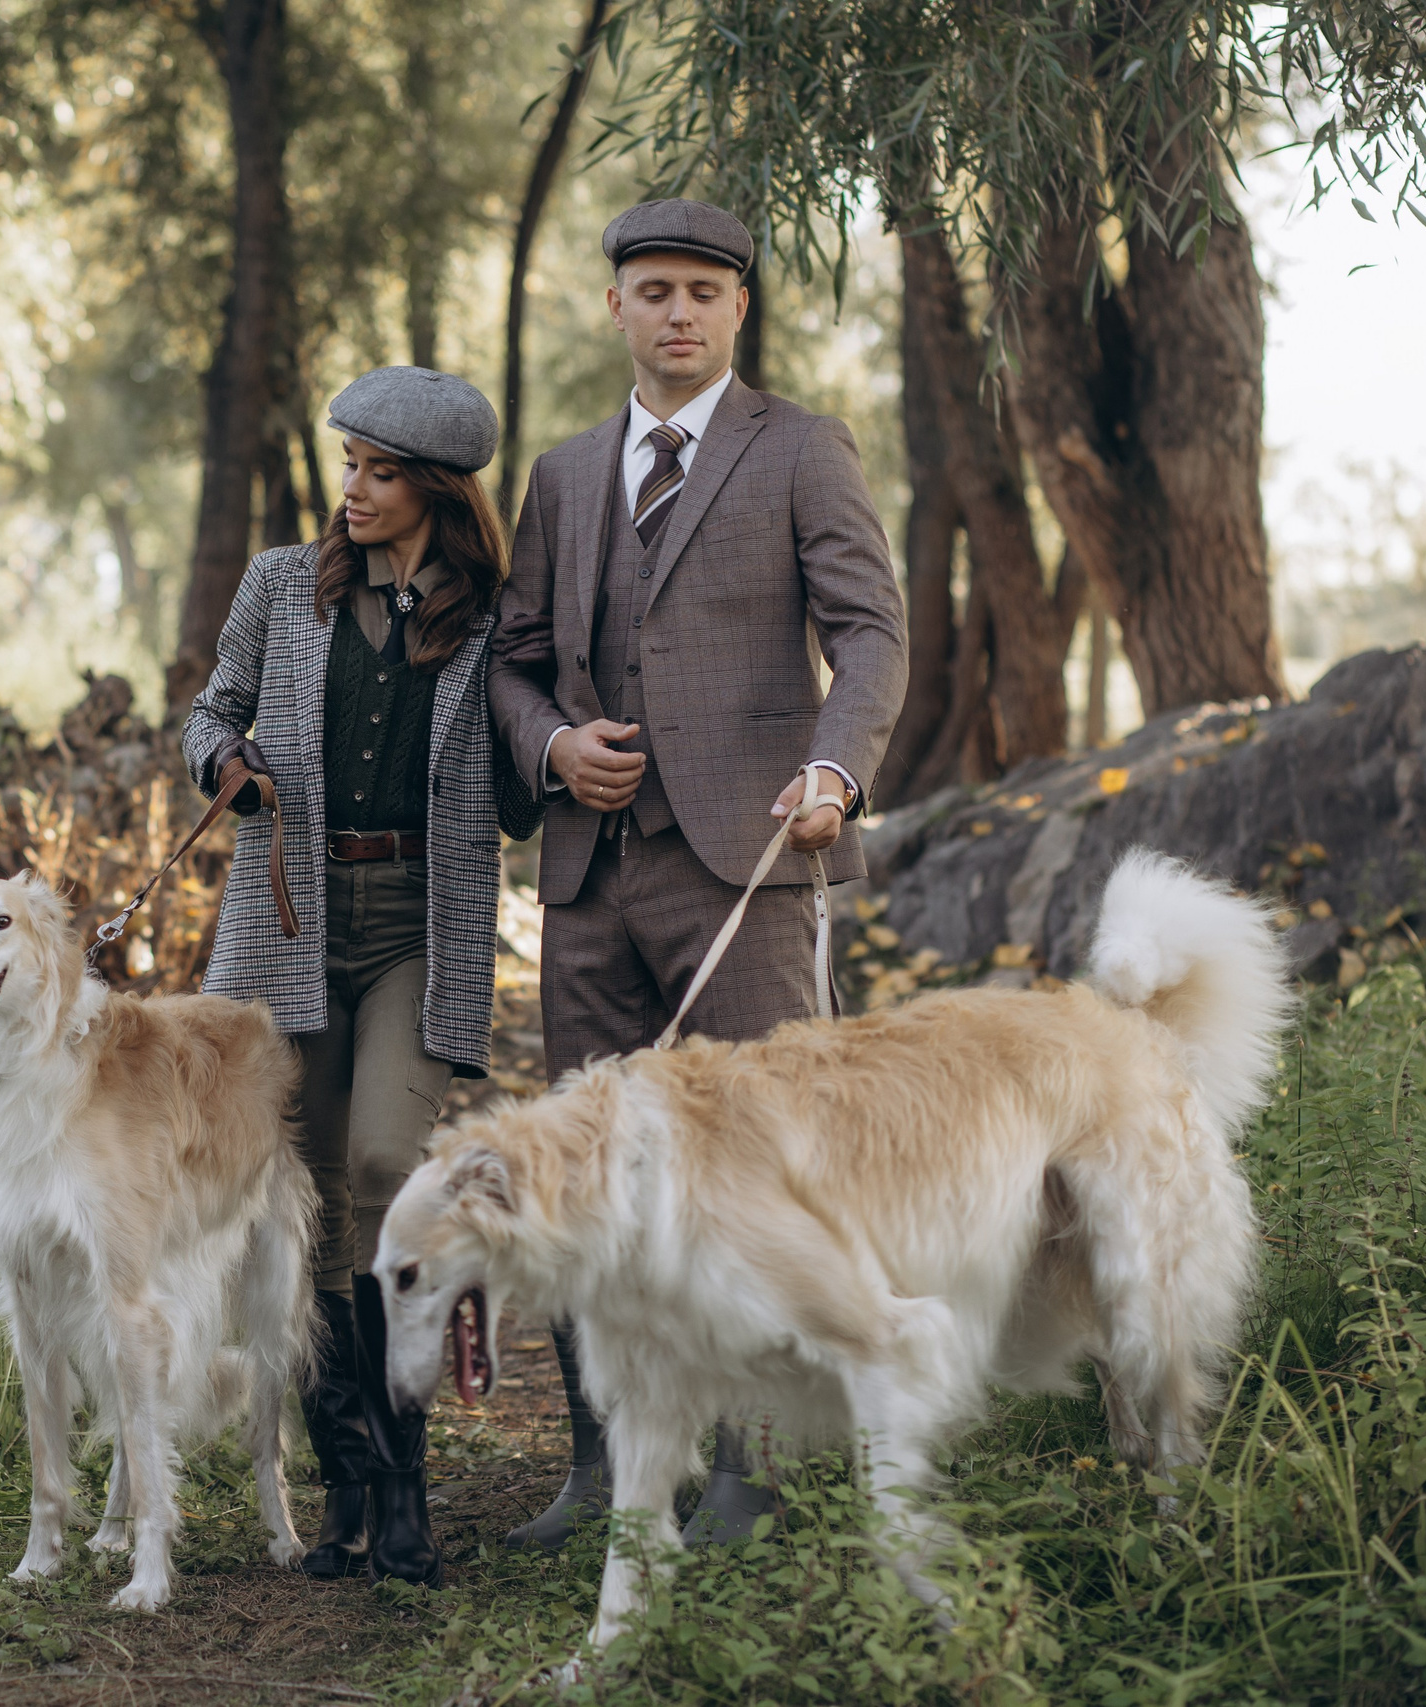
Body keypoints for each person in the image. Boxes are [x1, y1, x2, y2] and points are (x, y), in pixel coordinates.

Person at [486, 198, 908, 1550]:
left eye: (703, 294)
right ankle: (609, 1468)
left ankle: (755, 1471)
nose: (678, 312)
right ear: (613, 306)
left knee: (763, 1173)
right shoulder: (559, 474)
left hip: (752, 875)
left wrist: (835, 774)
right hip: (591, 885)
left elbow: (872, 634)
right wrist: (554, 745)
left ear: (738, 311)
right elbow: (512, 659)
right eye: (653, 289)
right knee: (585, 1181)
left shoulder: (803, 451)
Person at [183, 366, 539, 1588]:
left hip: (419, 922)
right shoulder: (284, 587)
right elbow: (207, 710)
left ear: (436, 489)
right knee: (317, 1190)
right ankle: (349, 1495)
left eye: (380, 474)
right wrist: (224, 753)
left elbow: (521, 757)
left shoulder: (493, 615)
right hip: (293, 909)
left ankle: (406, 1490)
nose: (353, 492)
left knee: (392, 1170)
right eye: (348, 466)